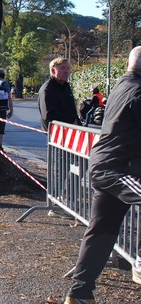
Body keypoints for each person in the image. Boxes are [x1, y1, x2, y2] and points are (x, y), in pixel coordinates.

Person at [64, 46, 141, 304]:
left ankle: (79, 294)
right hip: (118, 168)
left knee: (102, 232)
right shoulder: (138, 91)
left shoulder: (122, 85)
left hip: (106, 166)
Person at [38, 57, 81, 131]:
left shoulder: (66, 86)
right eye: (62, 68)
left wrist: (80, 126)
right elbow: (48, 115)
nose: (66, 71)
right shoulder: (47, 89)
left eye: (68, 68)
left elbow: (72, 109)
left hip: (70, 130)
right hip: (56, 132)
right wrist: (70, 121)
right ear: (52, 70)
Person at [0, 69, 13, 147]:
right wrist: (11, 110)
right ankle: (0, 145)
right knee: (1, 130)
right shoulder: (4, 84)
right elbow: (9, 97)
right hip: (2, 109)